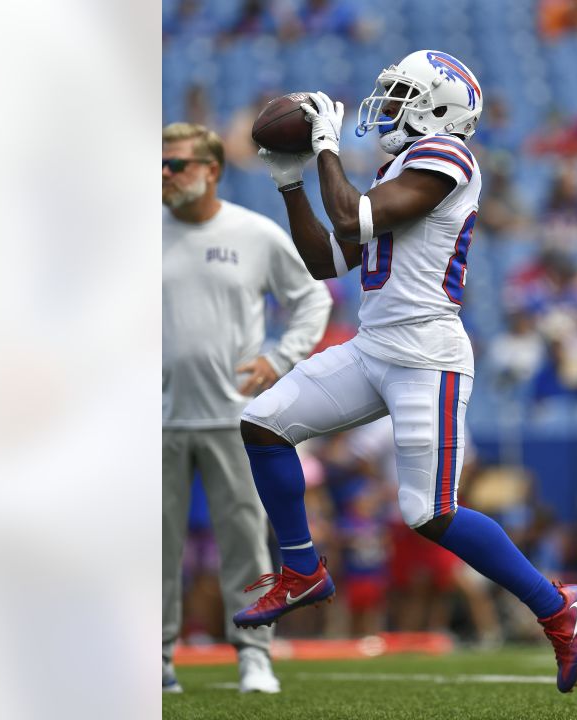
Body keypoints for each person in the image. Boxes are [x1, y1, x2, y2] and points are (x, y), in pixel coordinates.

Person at [233, 51, 577, 693]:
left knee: (427, 512)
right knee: (262, 422)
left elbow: (349, 217)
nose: (389, 106)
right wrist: (292, 182)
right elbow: (326, 259)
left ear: (439, 108)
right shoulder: (398, 165)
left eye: (402, 95)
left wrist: (324, 151)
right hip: (375, 345)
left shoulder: (450, 158)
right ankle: (302, 570)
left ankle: (554, 606)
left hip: (427, 356)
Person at [161, 123, 332, 694]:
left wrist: (281, 359)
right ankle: (154, 662)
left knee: (245, 542)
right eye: (160, 164)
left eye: (177, 164)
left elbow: (311, 296)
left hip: (231, 417)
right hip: (152, 420)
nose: (164, 174)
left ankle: (254, 656)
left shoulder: (253, 233)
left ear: (211, 170)